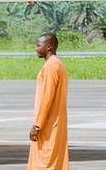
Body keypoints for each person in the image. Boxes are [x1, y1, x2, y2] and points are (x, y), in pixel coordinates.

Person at [27, 33, 68, 170]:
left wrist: (37, 126)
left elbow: (47, 98)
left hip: (48, 124)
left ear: (49, 47)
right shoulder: (58, 64)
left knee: (45, 162)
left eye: (39, 45)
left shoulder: (51, 66)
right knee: (54, 161)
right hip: (55, 121)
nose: (36, 48)